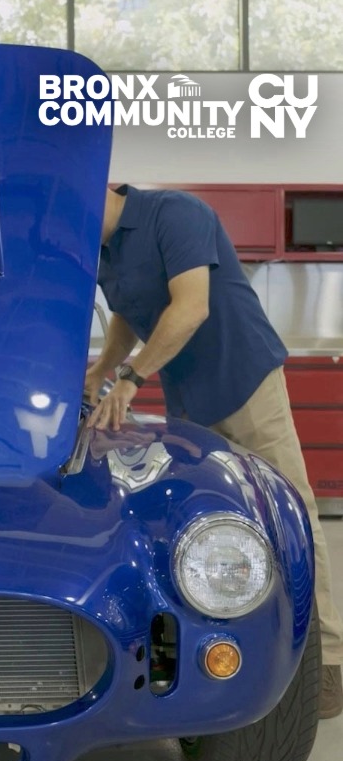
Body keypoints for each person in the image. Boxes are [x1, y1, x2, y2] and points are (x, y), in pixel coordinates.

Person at [85, 184, 343, 719]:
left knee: (292, 512)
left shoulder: (173, 214)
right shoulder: (105, 250)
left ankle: (328, 665)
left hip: (244, 378)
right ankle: (242, 647)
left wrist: (130, 378)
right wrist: (101, 370)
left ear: (103, 186)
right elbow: (130, 318)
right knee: (216, 521)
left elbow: (192, 307)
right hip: (190, 393)